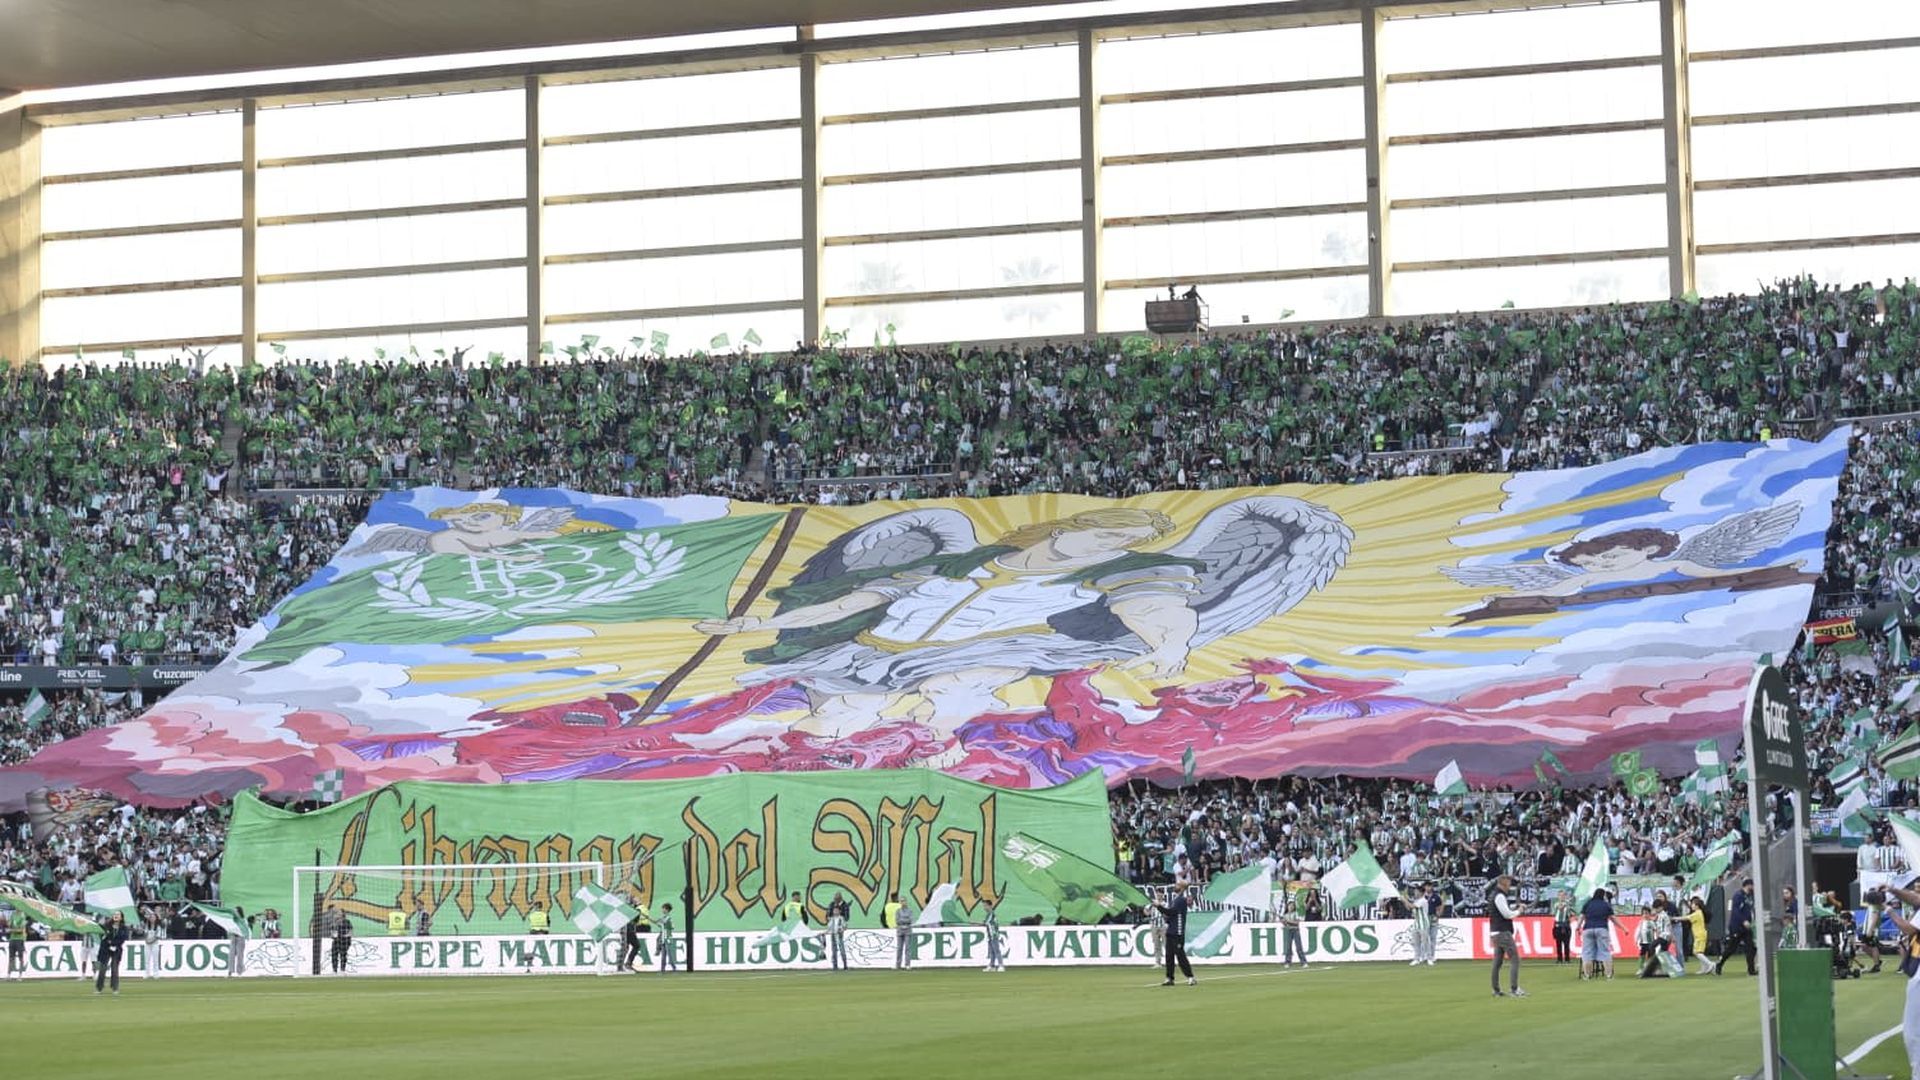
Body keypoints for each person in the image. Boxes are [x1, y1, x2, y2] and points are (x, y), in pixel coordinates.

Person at [1488, 874, 1526, 997]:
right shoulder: (1499, 896)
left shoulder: (1494, 895)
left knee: (1497, 962)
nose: (1510, 886)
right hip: (1503, 932)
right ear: (1503, 883)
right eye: (1508, 883)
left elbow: (1503, 910)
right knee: (1515, 959)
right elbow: (1507, 914)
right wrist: (1519, 911)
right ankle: (1514, 989)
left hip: (1495, 931)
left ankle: (1496, 989)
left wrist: (1515, 907)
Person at [1717, 880, 1756, 976]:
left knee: (1751, 948)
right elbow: (1735, 911)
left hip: (1746, 927)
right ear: (1748, 885)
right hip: (1737, 926)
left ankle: (1751, 970)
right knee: (1731, 948)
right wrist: (1743, 921)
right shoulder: (1738, 895)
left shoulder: (1750, 896)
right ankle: (1719, 965)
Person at [1156, 892, 1194, 986]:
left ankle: (1190, 977)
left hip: (1178, 933)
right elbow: (1170, 917)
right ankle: (1169, 978)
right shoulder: (1176, 900)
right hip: (1170, 932)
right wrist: (1165, 916)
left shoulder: (1180, 900)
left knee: (1180, 956)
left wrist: (1159, 906)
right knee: (1169, 956)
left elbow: (1171, 912)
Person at [94, 914, 129, 995]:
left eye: (118, 915)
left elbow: (123, 939)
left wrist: (113, 943)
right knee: (102, 969)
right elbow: (102, 936)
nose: (116, 916)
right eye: (115, 915)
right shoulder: (107, 926)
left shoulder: (123, 928)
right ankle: (99, 987)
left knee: (114, 968)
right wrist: (108, 942)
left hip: (116, 949)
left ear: (121, 918)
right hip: (106, 949)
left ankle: (115, 987)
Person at [886, 893, 916, 970]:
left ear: (906, 902)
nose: (903, 902)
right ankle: (898, 964)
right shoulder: (898, 911)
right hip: (900, 931)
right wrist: (905, 920)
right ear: (900, 902)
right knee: (899, 948)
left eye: (904, 901)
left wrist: (904, 921)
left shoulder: (910, 911)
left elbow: (911, 920)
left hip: (908, 931)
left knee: (907, 948)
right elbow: (897, 920)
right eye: (901, 901)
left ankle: (907, 964)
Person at [1684, 897, 1713, 976]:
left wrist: (1674, 918)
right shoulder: (1699, 912)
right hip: (1700, 935)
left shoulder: (1697, 913)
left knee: (1696, 952)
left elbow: (1685, 918)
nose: (1691, 906)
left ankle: (1710, 964)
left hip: (1699, 935)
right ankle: (1703, 969)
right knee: (1700, 952)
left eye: (1693, 904)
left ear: (1697, 906)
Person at [1410, 883, 1436, 967]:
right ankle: (1417, 958)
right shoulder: (1416, 901)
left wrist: (1403, 899)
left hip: (1423, 924)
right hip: (1416, 924)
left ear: (1421, 893)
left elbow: (1411, 906)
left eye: (1416, 891)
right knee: (1416, 943)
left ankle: (1429, 958)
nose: (1415, 893)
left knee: (1425, 942)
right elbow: (1409, 908)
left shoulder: (1423, 900)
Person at [1280, 893, 1307, 968]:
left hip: (1295, 931)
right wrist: (1283, 922)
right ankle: (1287, 962)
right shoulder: (1285, 915)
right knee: (1288, 947)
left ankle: (1303, 962)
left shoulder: (1296, 913)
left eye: (1292, 906)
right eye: (1289, 906)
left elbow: (1297, 923)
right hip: (1289, 931)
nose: (1290, 907)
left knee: (1299, 947)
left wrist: (1288, 922)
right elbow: (1286, 925)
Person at [825, 892, 850, 971]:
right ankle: (835, 965)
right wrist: (826, 932)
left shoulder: (841, 918)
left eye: (836, 910)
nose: (835, 911)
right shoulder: (831, 919)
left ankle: (845, 965)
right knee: (834, 950)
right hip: (833, 935)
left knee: (842, 950)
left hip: (839, 935)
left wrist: (842, 929)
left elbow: (845, 926)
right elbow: (829, 927)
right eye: (834, 910)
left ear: (839, 911)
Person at [981, 897, 1005, 973]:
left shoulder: (991, 914)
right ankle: (992, 965)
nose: (984, 907)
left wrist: (976, 923)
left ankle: (1001, 965)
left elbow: (985, 923)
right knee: (991, 951)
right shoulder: (988, 914)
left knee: (996, 950)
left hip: (993, 934)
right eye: (983, 906)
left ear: (990, 906)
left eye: (985, 905)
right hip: (989, 935)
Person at [1551, 890, 1574, 965]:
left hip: (1566, 925)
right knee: (1558, 943)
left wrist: (1570, 909)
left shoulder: (1568, 905)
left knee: (1567, 943)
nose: (1562, 897)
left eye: (1563, 895)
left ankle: (1567, 959)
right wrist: (1567, 903)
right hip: (1558, 926)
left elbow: (1572, 913)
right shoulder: (1556, 904)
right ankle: (1559, 959)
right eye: (1560, 895)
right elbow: (1560, 908)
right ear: (1558, 896)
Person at [226, 906, 249, 978]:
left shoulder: (243, 920)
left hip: (240, 938)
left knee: (240, 955)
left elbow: (244, 929)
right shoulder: (232, 920)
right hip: (233, 937)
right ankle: (230, 971)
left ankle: (240, 972)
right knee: (231, 955)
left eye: (236, 911)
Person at [329, 905, 352, 974]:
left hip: (345, 940)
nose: (337, 914)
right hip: (336, 940)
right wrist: (333, 935)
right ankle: (334, 970)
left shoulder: (347, 922)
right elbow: (332, 931)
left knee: (343, 955)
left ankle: (342, 970)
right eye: (337, 913)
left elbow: (350, 931)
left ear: (342, 914)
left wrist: (346, 936)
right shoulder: (334, 922)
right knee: (334, 955)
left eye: (339, 913)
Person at [657, 902, 678, 973]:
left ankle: (674, 968)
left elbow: (672, 927)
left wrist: (661, 922)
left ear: (666, 909)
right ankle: (663, 969)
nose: (662, 910)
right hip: (663, 938)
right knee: (663, 955)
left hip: (667, 938)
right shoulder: (663, 917)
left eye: (663, 908)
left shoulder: (668, 917)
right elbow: (660, 925)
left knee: (669, 954)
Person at [6, 914, 24, 980]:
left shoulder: (22, 916)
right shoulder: (12, 915)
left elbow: (21, 930)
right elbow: (8, 925)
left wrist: (11, 930)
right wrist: (9, 924)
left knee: (21, 958)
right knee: (11, 958)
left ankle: (20, 975)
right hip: (12, 939)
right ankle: (8, 975)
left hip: (19, 940)